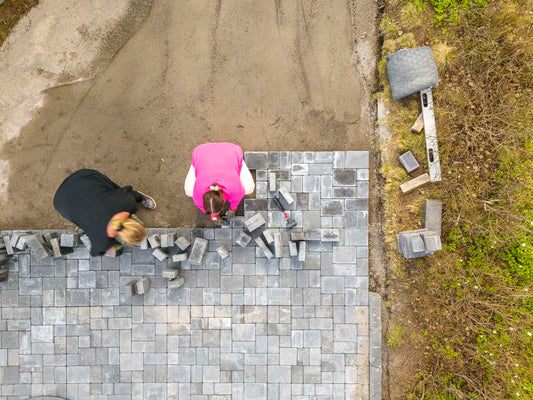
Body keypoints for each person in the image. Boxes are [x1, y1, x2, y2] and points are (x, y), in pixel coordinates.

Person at [53, 169, 156, 256]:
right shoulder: (101, 241)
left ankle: (138, 196)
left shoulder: (127, 204)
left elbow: (96, 253)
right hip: (61, 201)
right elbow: (94, 253)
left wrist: (109, 247)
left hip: (80, 180)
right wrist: (109, 247)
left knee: (115, 191)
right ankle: (140, 196)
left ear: (132, 222)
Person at [184, 142, 255, 221]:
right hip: (202, 152)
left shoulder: (235, 190)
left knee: (249, 189)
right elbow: (203, 209)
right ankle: (198, 163)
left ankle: (239, 161)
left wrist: (232, 210)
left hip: (231, 151)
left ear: (222, 204)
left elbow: (236, 201)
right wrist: (214, 216)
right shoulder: (197, 198)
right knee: (189, 191)